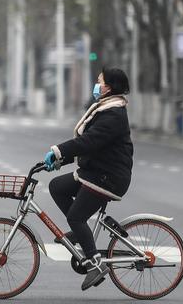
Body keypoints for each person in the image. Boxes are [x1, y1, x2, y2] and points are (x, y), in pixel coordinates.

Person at [43, 67, 134, 291]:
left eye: (99, 81)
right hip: (97, 171)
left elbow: (89, 142)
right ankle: (79, 233)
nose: (96, 84)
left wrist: (58, 151)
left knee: (76, 217)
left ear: (108, 87)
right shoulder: (105, 109)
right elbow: (90, 147)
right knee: (57, 187)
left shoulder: (114, 115)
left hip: (109, 177)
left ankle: (95, 264)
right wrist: (60, 160)